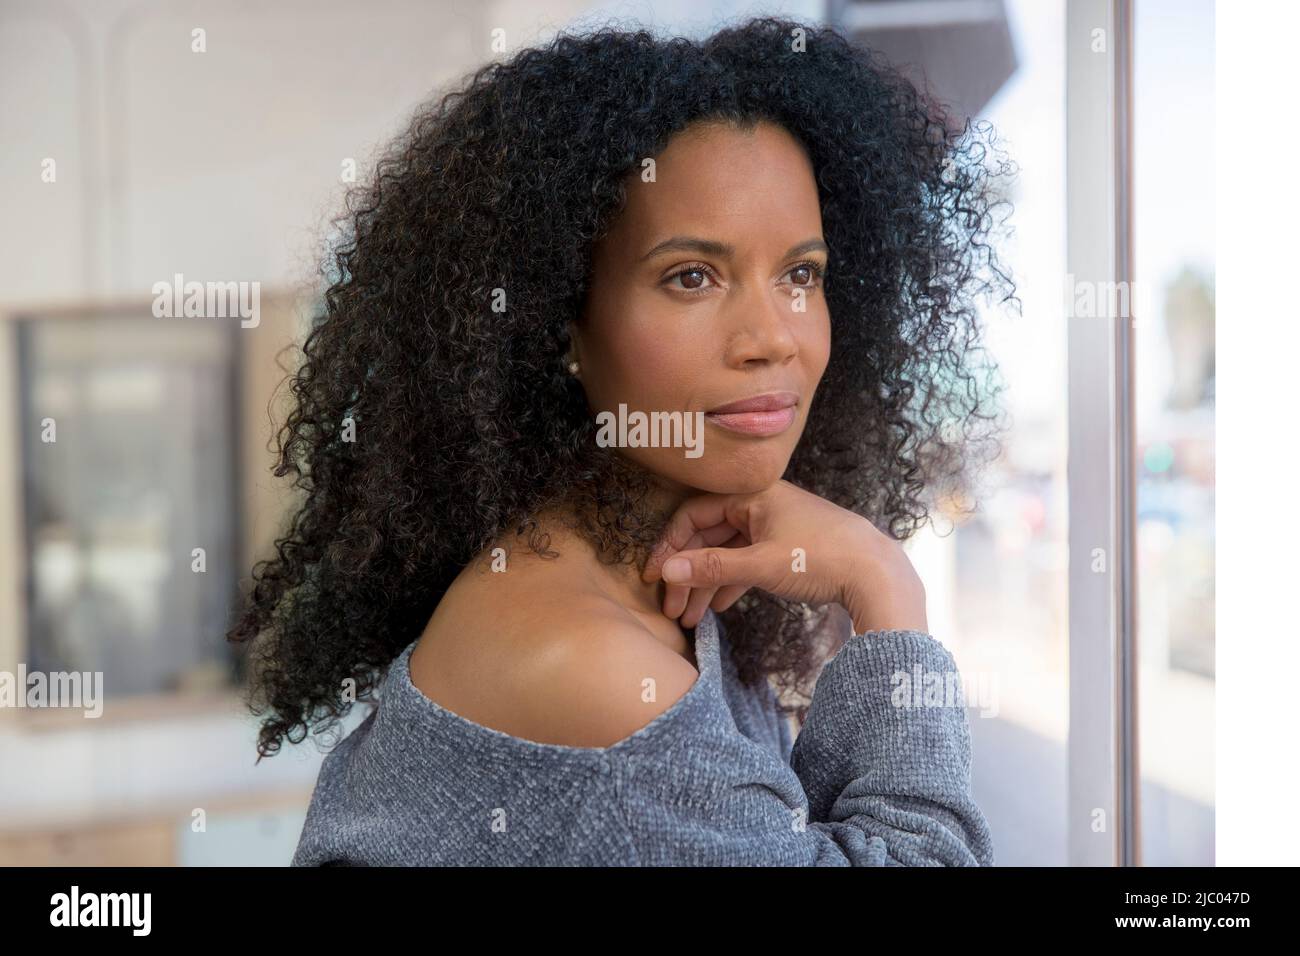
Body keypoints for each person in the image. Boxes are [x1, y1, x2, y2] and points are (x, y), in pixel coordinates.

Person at [228, 15, 1017, 866]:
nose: (772, 336)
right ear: (559, 321)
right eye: (691, 276)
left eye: (801, 274)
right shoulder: (592, 676)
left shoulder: (650, 584)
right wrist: (883, 582)